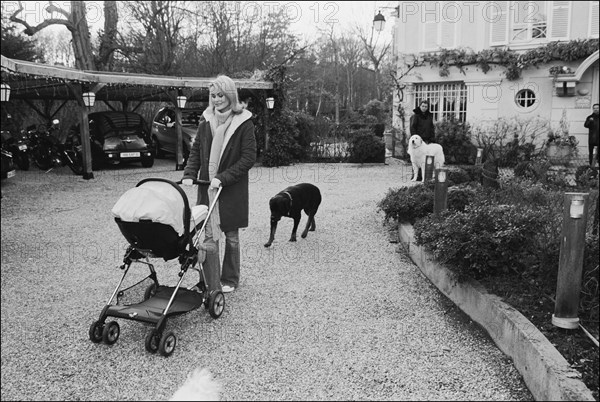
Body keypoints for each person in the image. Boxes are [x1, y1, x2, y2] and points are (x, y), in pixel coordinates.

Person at [182, 75, 257, 294]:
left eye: (220, 95)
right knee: (208, 236)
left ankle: (230, 279)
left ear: (230, 95)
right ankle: (209, 280)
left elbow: (248, 158)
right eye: (213, 96)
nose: (216, 100)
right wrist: (189, 172)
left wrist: (223, 177)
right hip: (207, 187)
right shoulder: (205, 120)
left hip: (231, 189)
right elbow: (196, 151)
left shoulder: (244, 123)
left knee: (231, 236)